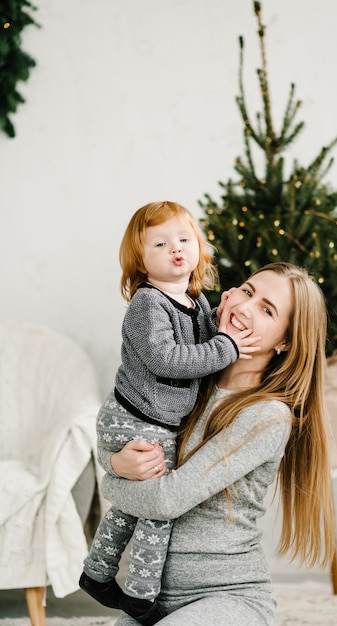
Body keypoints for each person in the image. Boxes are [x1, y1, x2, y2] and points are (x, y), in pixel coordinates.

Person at [99, 261, 336, 626]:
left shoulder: (267, 416)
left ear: (285, 341)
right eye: (247, 290)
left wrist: (109, 482)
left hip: (229, 598)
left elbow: (167, 499)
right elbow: (121, 431)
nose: (244, 307)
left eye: (267, 309)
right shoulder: (189, 380)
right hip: (153, 599)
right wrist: (117, 464)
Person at [79, 201, 259, 624]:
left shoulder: (193, 300)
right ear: (141, 260)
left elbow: (201, 336)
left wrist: (223, 317)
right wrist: (226, 347)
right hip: (136, 416)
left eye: (184, 239)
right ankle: (143, 597)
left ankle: (97, 572)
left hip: (155, 417)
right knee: (161, 506)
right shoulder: (147, 303)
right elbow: (168, 359)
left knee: (133, 504)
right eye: (160, 244)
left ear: (198, 246)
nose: (176, 249)